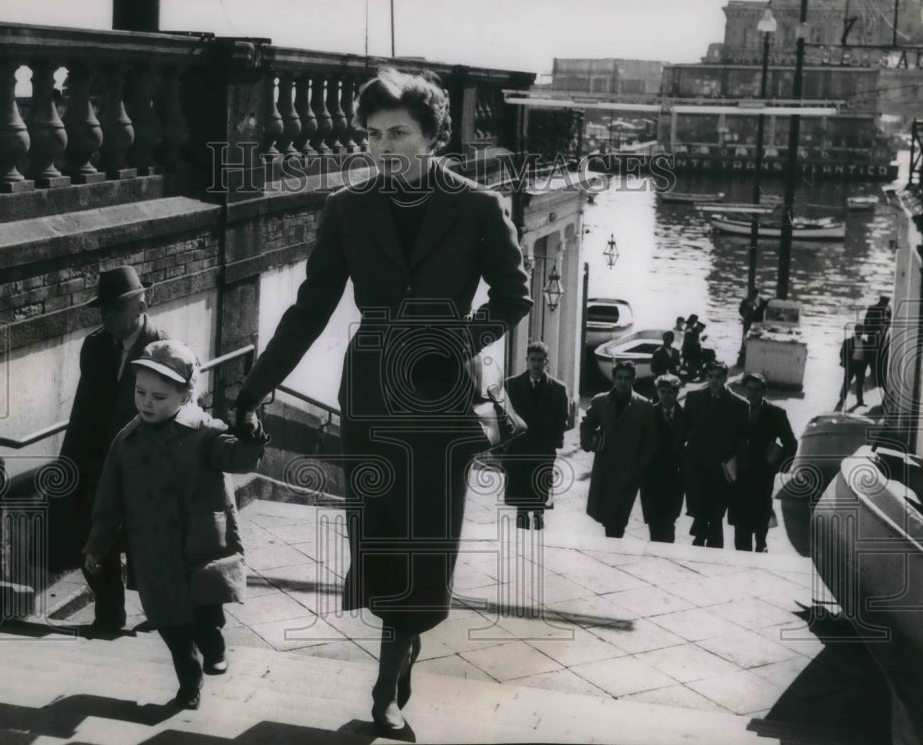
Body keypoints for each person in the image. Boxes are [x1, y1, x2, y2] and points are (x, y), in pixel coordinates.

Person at [230, 69, 532, 734]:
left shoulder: (480, 206)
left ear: (432, 135)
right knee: (381, 543)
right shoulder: (348, 208)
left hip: (441, 398)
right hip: (370, 394)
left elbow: (515, 298)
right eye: (372, 134)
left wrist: (456, 338)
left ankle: (389, 676)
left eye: (398, 132)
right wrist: (252, 390)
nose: (383, 146)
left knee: (425, 545)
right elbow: (309, 311)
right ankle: (400, 656)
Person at [84, 341, 266, 710]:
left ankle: (214, 643)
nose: (146, 403)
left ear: (185, 395)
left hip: (198, 544)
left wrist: (252, 439)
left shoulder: (205, 432)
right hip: (153, 551)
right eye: (140, 393)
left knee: (202, 611)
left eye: (159, 396)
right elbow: (108, 501)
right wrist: (96, 545)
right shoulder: (126, 442)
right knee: (169, 622)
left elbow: (237, 457)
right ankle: (189, 681)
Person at [59, 266, 168, 634]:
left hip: (144, 470)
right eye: (102, 308)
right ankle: (108, 617)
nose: (105, 315)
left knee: (149, 551)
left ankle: (163, 615)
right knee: (94, 545)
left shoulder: (163, 351)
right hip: (97, 468)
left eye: (114, 308)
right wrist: (68, 468)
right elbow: (81, 413)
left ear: (140, 304)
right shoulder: (94, 347)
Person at [580, 360, 657, 539]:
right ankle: (612, 549)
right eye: (619, 378)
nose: (623, 382)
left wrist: (639, 466)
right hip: (605, 468)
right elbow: (587, 424)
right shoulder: (600, 401)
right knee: (608, 518)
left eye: (627, 378)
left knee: (619, 519)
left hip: (629, 471)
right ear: (613, 379)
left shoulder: (644, 406)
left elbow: (651, 439)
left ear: (634, 380)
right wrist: (590, 442)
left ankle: (612, 548)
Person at [502, 341, 570, 531]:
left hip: (543, 450)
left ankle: (539, 522)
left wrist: (554, 443)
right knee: (521, 499)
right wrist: (504, 447)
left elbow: (563, 419)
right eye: (533, 359)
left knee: (540, 495)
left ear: (546, 362)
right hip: (519, 451)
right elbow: (502, 417)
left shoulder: (558, 389)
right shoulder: (511, 385)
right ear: (526, 360)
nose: (536, 364)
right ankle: (521, 527)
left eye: (540, 360)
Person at [729, 373, 797, 553]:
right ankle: (742, 551)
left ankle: (761, 544)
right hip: (740, 472)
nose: (753, 394)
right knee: (740, 517)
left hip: (763, 474)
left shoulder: (776, 413)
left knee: (761, 513)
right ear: (745, 390)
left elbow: (791, 443)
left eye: (758, 390)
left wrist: (778, 465)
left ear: (764, 391)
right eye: (749, 389)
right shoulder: (737, 410)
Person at [683, 361, 748, 548]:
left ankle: (713, 544)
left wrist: (734, 466)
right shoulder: (693, 398)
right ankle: (699, 534)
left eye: (718, 377)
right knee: (699, 507)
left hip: (722, 469)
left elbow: (741, 441)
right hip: (698, 465)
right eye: (710, 376)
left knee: (717, 512)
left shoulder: (739, 405)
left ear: (726, 378)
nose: (714, 381)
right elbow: (683, 431)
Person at [640, 374, 688, 543]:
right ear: (657, 392)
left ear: (677, 393)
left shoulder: (685, 416)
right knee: (654, 522)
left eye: (670, 392)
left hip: (674, 478)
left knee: (669, 522)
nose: (666, 396)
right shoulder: (649, 414)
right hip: (652, 477)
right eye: (662, 391)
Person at [834, 323, 868, 410]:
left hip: (861, 365)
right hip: (851, 364)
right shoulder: (848, 342)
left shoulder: (865, 343)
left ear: (863, 332)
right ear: (855, 331)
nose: (859, 333)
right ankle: (841, 400)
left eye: (861, 331)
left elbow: (869, 356)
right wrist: (846, 363)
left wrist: (865, 364)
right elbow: (842, 353)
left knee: (860, 383)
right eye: (858, 331)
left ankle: (860, 400)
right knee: (847, 382)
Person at [862, 295, 892, 389]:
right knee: (872, 351)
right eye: (884, 302)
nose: (885, 304)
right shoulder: (872, 308)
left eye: (886, 302)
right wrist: (867, 330)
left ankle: (877, 370)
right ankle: (873, 370)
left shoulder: (888, 309)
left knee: (880, 351)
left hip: (882, 334)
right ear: (881, 301)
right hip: (873, 333)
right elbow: (866, 320)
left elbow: (890, 320)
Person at [737, 289, 761, 366]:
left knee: (755, 338)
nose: (754, 296)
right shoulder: (745, 301)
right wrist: (744, 315)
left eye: (755, 295)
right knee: (745, 338)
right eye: (753, 294)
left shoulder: (760, 301)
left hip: (756, 323)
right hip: (747, 322)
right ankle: (742, 356)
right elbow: (740, 310)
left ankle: (753, 355)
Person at [681, 315, 705, 380]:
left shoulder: (694, 332)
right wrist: (701, 341)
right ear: (698, 327)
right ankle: (697, 372)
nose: (702, 331)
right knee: (704, 354)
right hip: (688, 352)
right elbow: (692, 345)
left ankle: (699, 371)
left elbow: (695, 344)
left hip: (691, 351)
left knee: (707, 352)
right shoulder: (690, 332)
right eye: (701, 330)